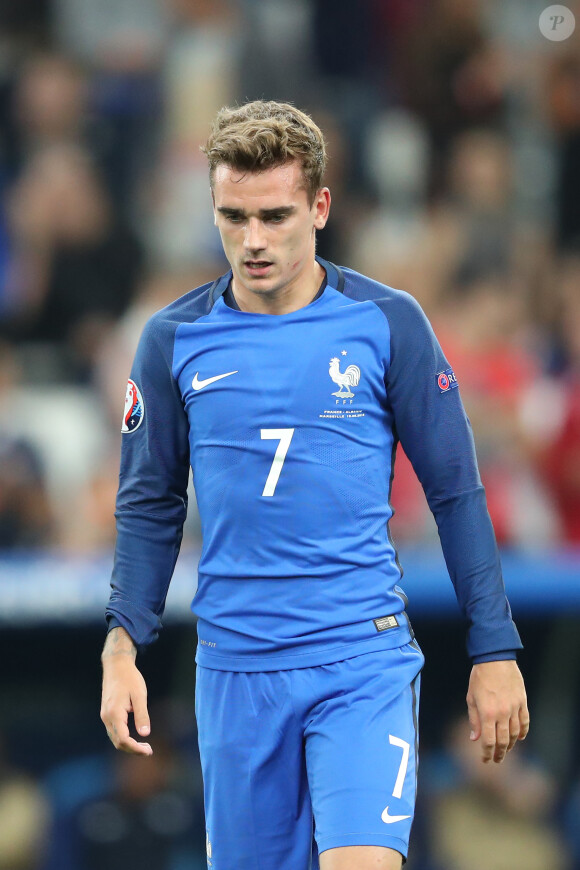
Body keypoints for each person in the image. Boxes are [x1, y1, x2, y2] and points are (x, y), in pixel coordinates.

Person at [100, 100, 529, 870]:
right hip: (235, 670)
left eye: (275, 216)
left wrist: (493, 648)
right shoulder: (173, 340)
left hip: (358, 660)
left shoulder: (387, 323)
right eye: (233, 217)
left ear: (320, 207)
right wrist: (122, 641)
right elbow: (150, 502)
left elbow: (456, 491)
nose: (253, 240)